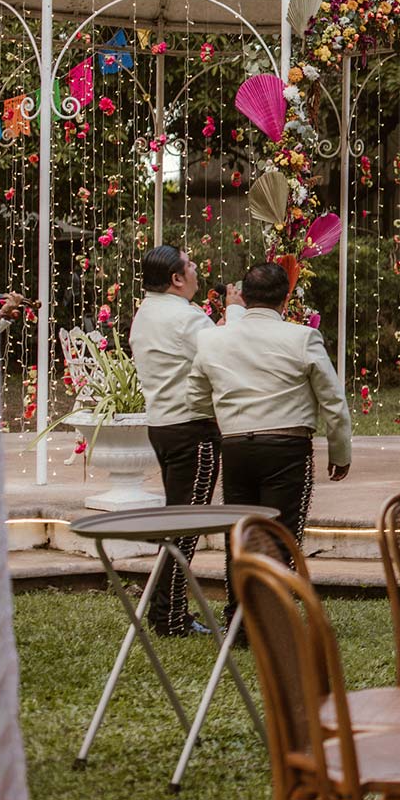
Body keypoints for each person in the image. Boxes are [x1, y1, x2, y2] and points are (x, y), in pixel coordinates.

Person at [188, 262, 351, 620]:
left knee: (241, 534)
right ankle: (274, 619)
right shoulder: (301, 337)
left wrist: (227, 417)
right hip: (286, 446)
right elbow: (332, 400)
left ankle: (240, 616)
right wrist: (340, 451)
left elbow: (196, 397)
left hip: (236, 446)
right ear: (286, 297)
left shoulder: (212, 338)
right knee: (281, 534)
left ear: (243, 297)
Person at [129, 246, 243, 637]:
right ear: (177, 279)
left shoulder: (146, 312)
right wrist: (236, 312)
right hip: (192, 428)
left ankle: (167, 611)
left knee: (178, 519)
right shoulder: (184, 317)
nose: (197, 270)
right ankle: (170, 617)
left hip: (162, 426)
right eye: (191, 265)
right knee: (186, 526)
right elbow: (228, 354)